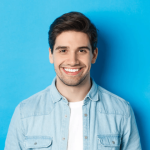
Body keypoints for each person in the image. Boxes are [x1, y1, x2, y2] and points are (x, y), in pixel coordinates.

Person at [5, 12, 142, 150]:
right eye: (63, 50)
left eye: (81, 51)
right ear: (51, 55)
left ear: (94, 55)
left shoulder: (121, 111)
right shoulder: (25, 113)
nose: (72, 61)